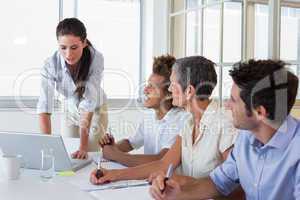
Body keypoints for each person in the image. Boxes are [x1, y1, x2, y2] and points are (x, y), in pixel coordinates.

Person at [149, 59, 300, 200]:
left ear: (259, 112)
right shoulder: (245, 138)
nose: (227, 106)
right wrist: (178, 193)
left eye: (233, 100)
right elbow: (218, 183)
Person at [90, 56, 237, 185]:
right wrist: (113, 175)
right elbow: (164, 164)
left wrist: (186, 183)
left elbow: (234, 187)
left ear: (189, 91)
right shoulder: (189, 124)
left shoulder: (223, 125)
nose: (171, 90)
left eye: (173, 84)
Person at [37, 18, 108, 159]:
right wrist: (47, 146)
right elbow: (45, 107)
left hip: (95, 110)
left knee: (89, 154)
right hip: (70, 109)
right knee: (66, 153)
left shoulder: (96, 58)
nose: (68, 54)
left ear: (84, 43)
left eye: (74, 47)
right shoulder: (50, 64)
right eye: (63, 48)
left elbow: (89, 102)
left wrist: (83, 147)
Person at [99, 55, 187, 167]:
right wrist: (113, 147)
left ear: (169, 93)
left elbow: (161, 159)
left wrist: (115, 155)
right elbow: (131, 143)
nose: (145, 90)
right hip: (148, 178)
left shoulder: (181, 120)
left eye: (152, 87)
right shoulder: (149, 116)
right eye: (147, 85)